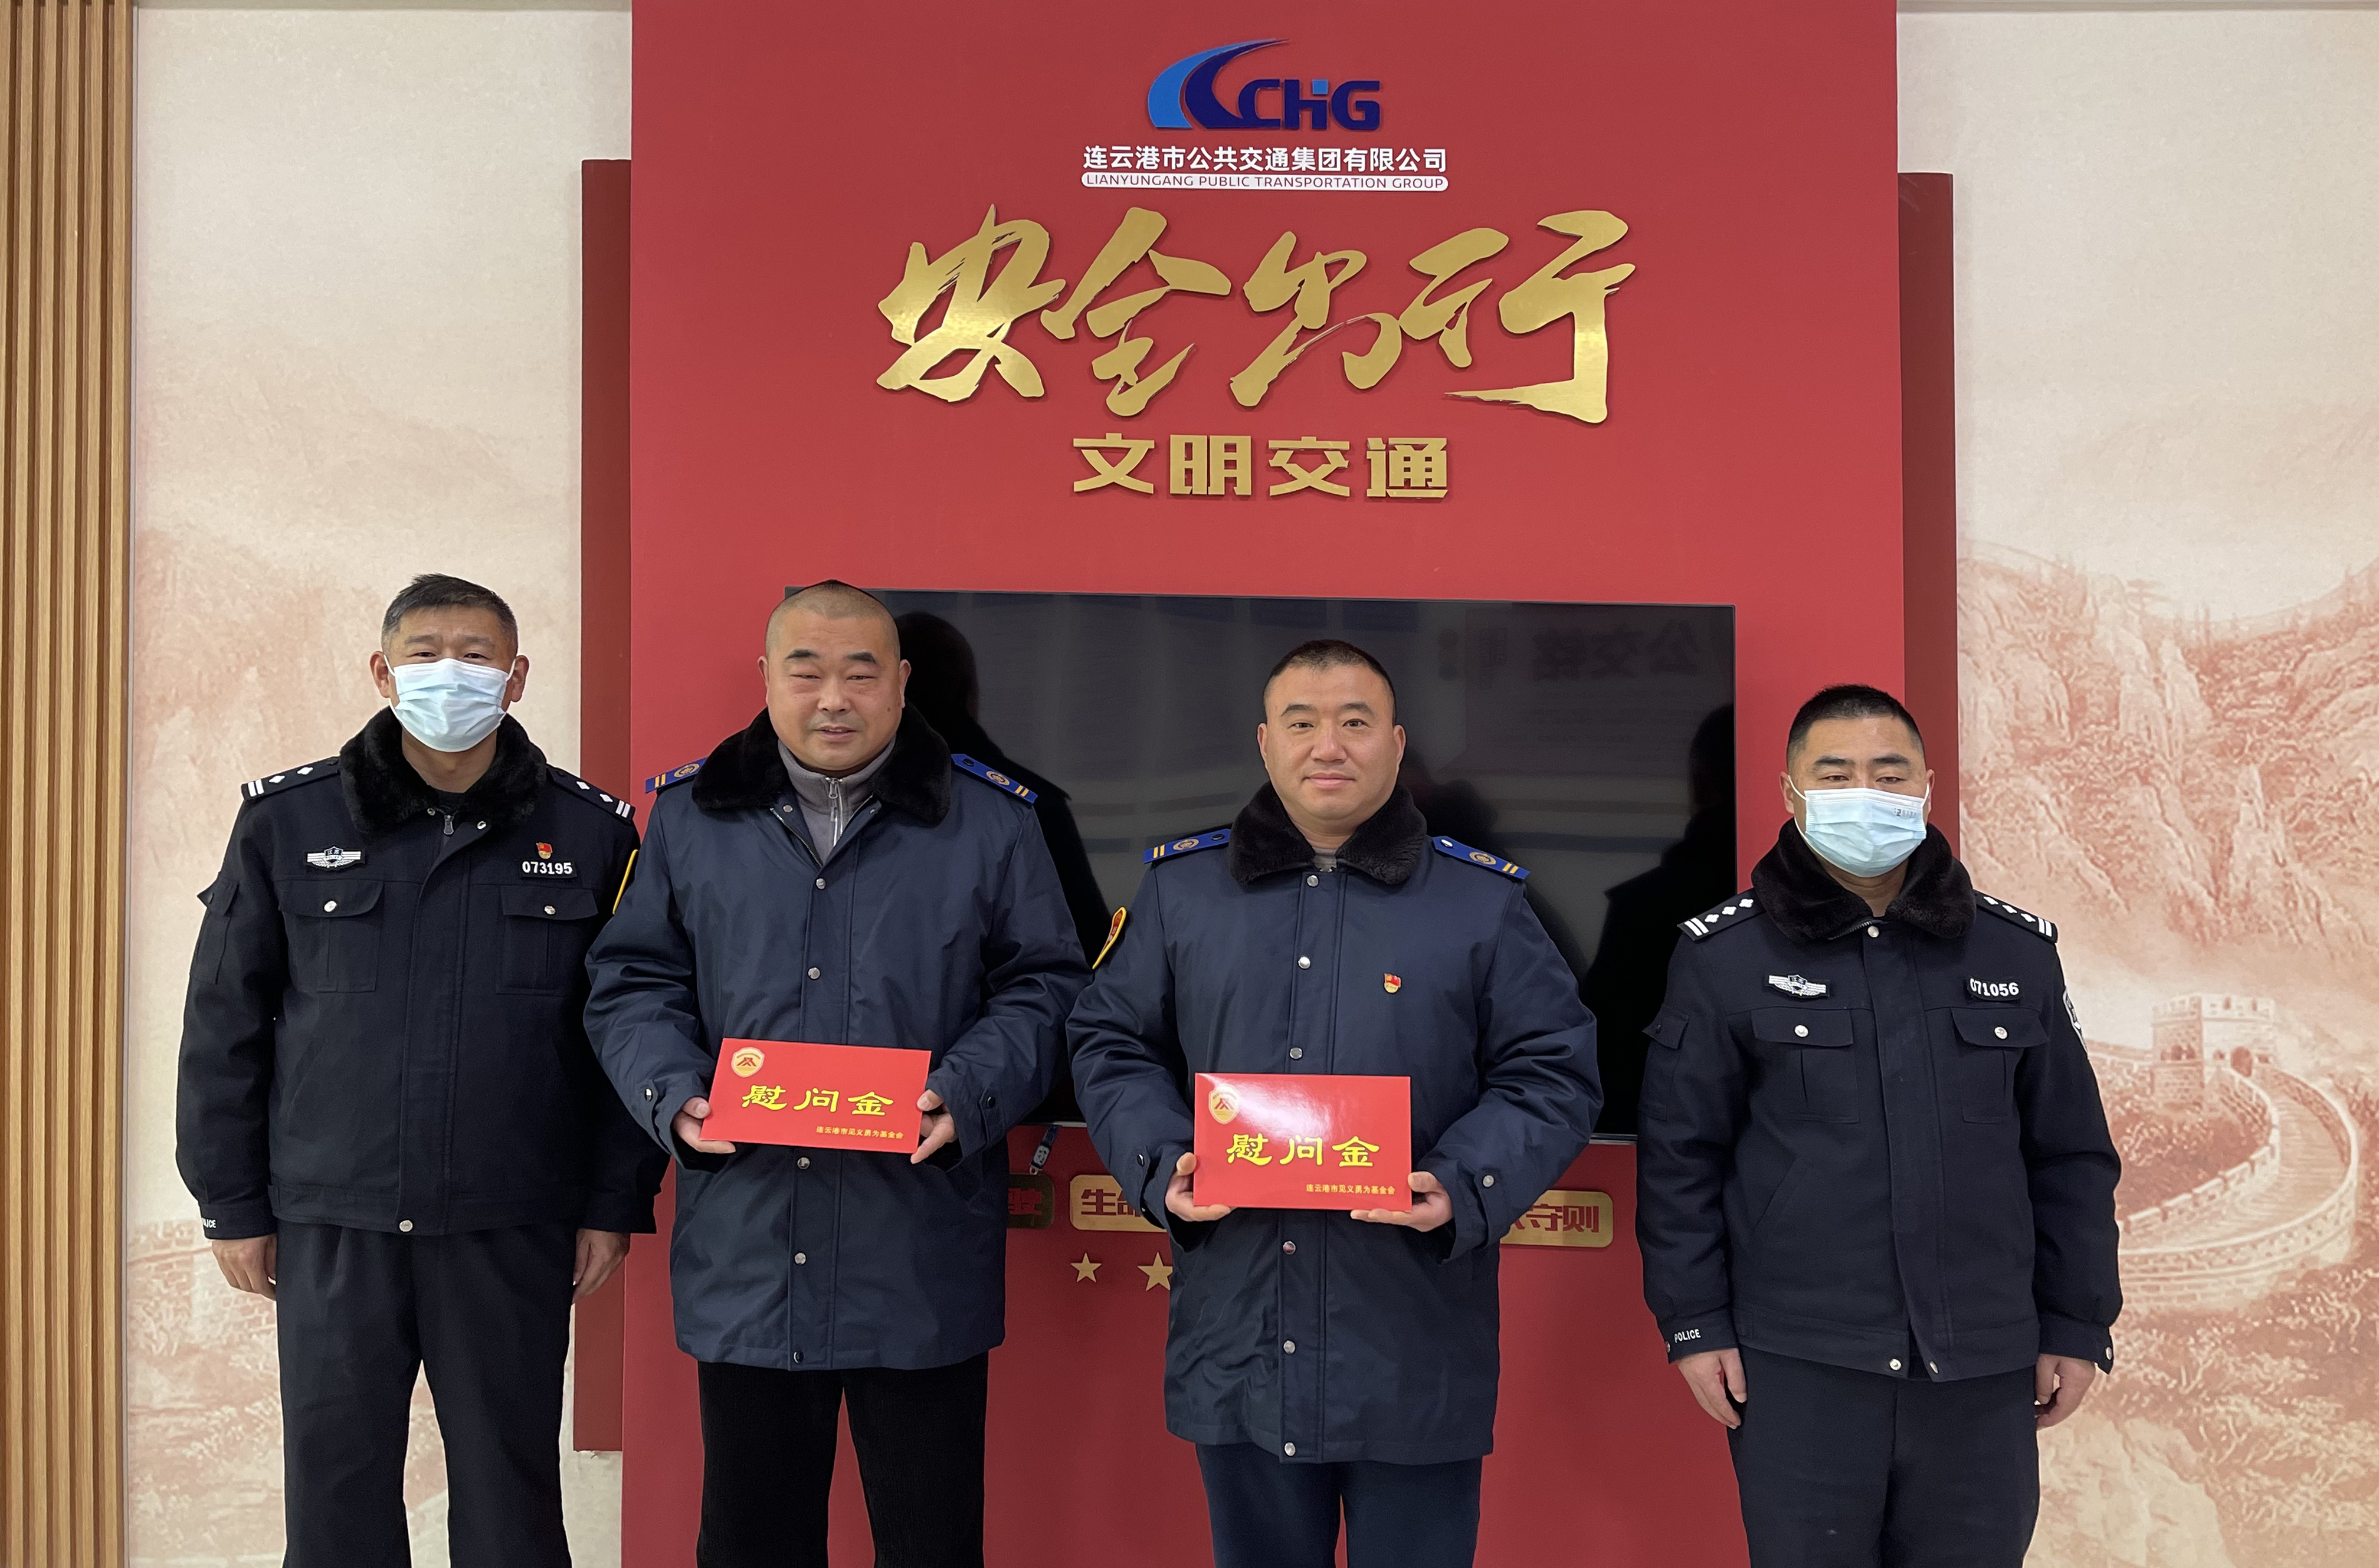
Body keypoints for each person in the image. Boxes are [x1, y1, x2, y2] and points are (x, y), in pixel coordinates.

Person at [584, 580, 1087, 1568]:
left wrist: (969, 1090)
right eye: (806, 670)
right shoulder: (691, 816)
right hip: (749, 1245)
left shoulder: (993, 821)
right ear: (767, 678)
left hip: (918, 1249)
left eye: (860, 673)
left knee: (931, 1542)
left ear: (901, 683)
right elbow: (632, 979)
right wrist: (675, 1095)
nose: (833, 697)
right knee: (751, 1541)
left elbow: (1049, 985)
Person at [1069, 639, 1601, 1568]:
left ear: (1396, 744)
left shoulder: (1481, 902)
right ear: (1265, 743)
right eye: (1303, 722)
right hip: (1239, 1332)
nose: (1329, 745)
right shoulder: (1180, 891)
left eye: (1356, 722)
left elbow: (1554, 1068)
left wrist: (1460, 1182)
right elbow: (1109, 1041)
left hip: (1412, 1340)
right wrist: (1161, 1162)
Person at [175, 573, 663, 1568]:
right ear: (382, 671)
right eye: (426, 652)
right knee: (337, 1493)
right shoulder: (287, 822)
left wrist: (613, 1199)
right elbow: (225, 1023)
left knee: (510, 1497)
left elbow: (626, 1028)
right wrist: (230, 1202)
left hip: (509, 1217)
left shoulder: (592, 832)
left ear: (517, 677)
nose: (451, 673)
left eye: (477, 655)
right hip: (335, 1218)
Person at [1636, 684, 2121, 1567]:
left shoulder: (2015, 954)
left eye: (1889, 774)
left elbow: (2071, 1156)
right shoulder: (1724, 958)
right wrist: (1694, 1322)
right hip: (1800, 1362)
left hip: (1982, 1363)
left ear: (1927, 788)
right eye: (1836, 774)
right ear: (1791, 792)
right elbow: (1681, 1160)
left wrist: (2077, 1322)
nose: (1865, 793)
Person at [1581, 704, 1737, 1132]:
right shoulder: (1815, 908)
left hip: (1655, 1133)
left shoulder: (1642, 907)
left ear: (1699, 783)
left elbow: (1605, 1047)